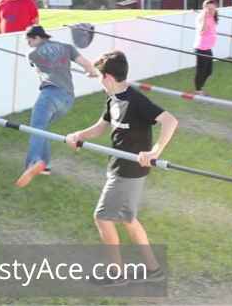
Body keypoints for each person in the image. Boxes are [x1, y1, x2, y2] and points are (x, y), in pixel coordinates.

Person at [63, 51, 177, 285]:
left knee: (102, 217)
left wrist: (155, 151)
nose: (99, 81)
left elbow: (170, 121)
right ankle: (153, 270)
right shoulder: (113, 98)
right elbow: (100, 127)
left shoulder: (135, 100)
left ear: (107, 77)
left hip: (129, 171)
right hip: (118, 166)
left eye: (99, 76)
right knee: (128, 219)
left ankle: (116, 274)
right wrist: (77, 136)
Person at [13, 26, 99, 186]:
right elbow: (87, 65)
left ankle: (34, 162)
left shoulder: (32, 54)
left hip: (50, 94)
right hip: (68, 99)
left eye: (29, 39)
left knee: (36, 127)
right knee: (42, 128)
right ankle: (45, 166)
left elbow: (39, 67)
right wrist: (91, 72)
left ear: (38, 38)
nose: (28, 43)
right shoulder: (67, 47)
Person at [193, 0, 218, 95]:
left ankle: (200, 88)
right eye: (209, 9)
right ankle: (198, 90)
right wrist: (204, 19)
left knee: (209, 71)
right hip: (201, 48)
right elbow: (201, 32)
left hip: (208, 48)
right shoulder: (201, 18)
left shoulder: (213, 16)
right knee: (201, 71)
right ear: (204, 9)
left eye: (213, 9)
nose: (211, 11)